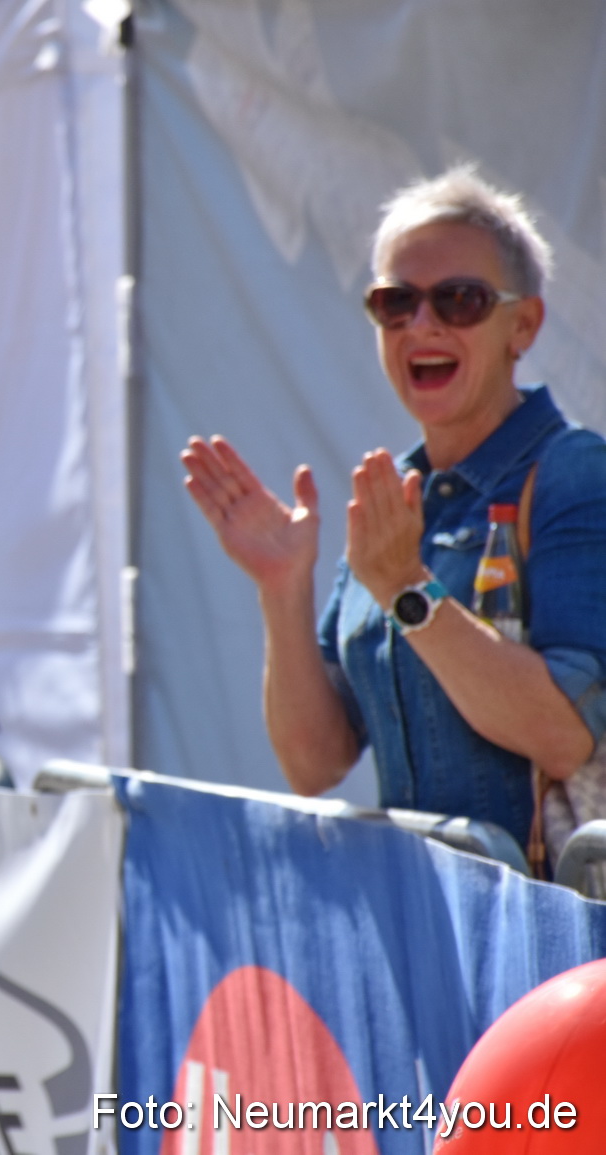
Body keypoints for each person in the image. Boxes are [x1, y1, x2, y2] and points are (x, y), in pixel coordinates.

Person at [181, 166, 606, 853]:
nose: (422, 324)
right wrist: (283, 588)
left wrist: (409, 591)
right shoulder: (395, 499)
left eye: (460, 299)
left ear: (522, 325)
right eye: (395, 302)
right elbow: (314, 763)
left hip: (546, 941)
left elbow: (563, 735)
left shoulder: (575, 472)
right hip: (422, 928)